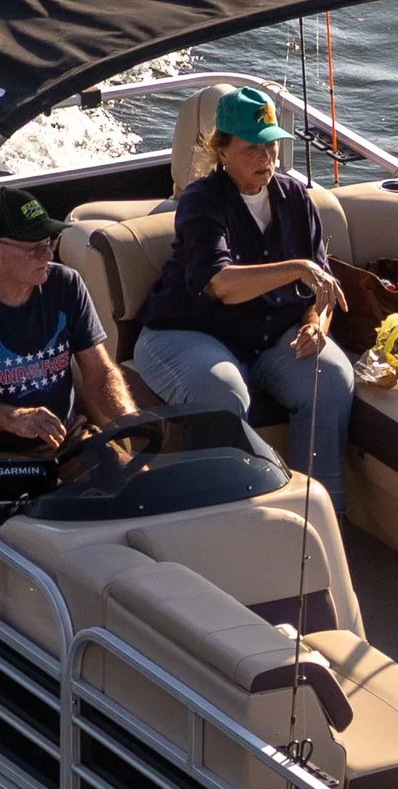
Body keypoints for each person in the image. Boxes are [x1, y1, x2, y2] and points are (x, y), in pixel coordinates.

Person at [135, 84, 356, 501]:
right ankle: (236, 508)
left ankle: (322, 508)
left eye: (271, 146)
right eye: (252, 148)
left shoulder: (293, 195)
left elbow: (320, 286)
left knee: (331, 377)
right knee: (223, 391)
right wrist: (297, 267)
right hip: (187, 334)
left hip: (267, 339)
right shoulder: (202, 200)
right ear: (222, 151)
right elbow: (221, 286)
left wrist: (315, 325)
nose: (266, 158)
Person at [0, 186, 138, 457]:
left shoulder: (66, 285)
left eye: (50, 242)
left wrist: (131, 422)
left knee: (142, 489)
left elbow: (99, 373)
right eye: (35, 249)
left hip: (68, 442)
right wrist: (12, 418)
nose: (48, 256)